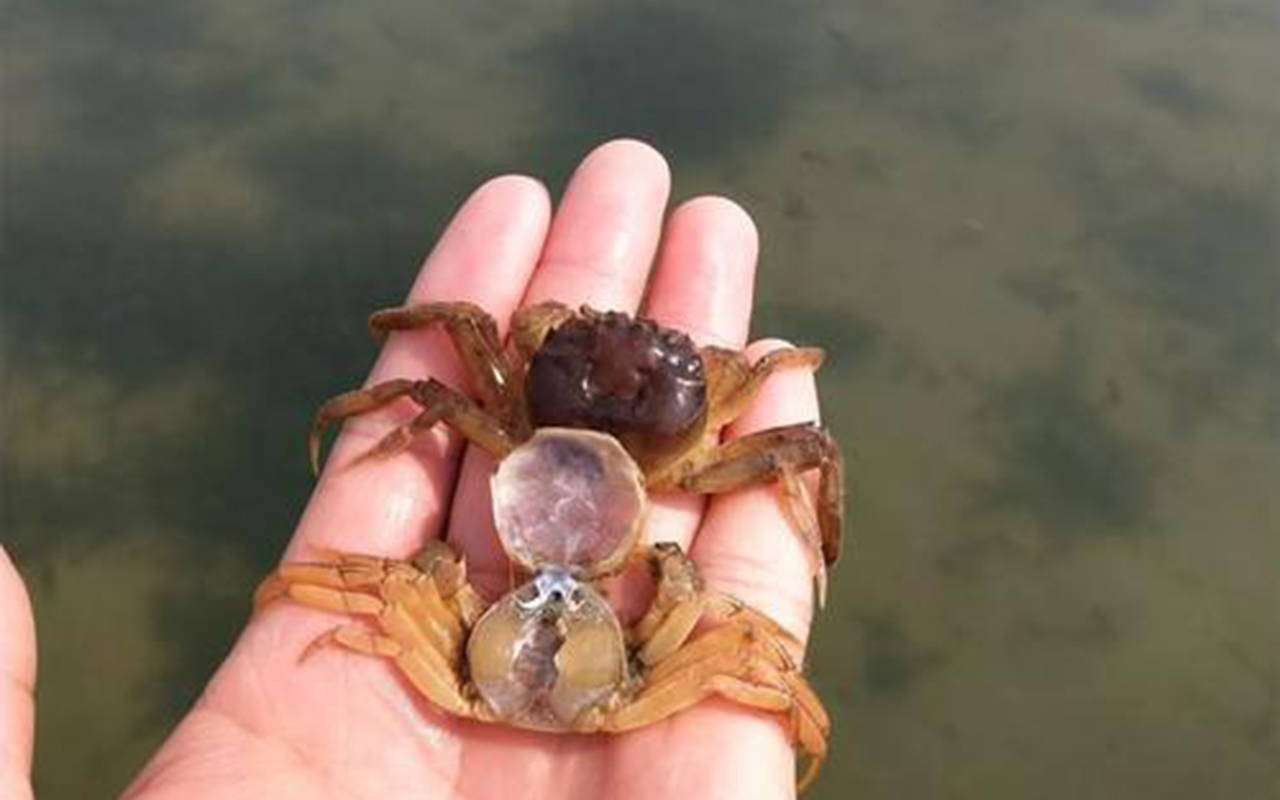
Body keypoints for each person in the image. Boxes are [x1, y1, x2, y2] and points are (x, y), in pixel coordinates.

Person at [0, 139, 826, 799]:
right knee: (748, 619)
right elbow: (753, 646)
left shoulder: (523, 399)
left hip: (491, 573)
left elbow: (457, 345)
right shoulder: (699, 443)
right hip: (610, 591)